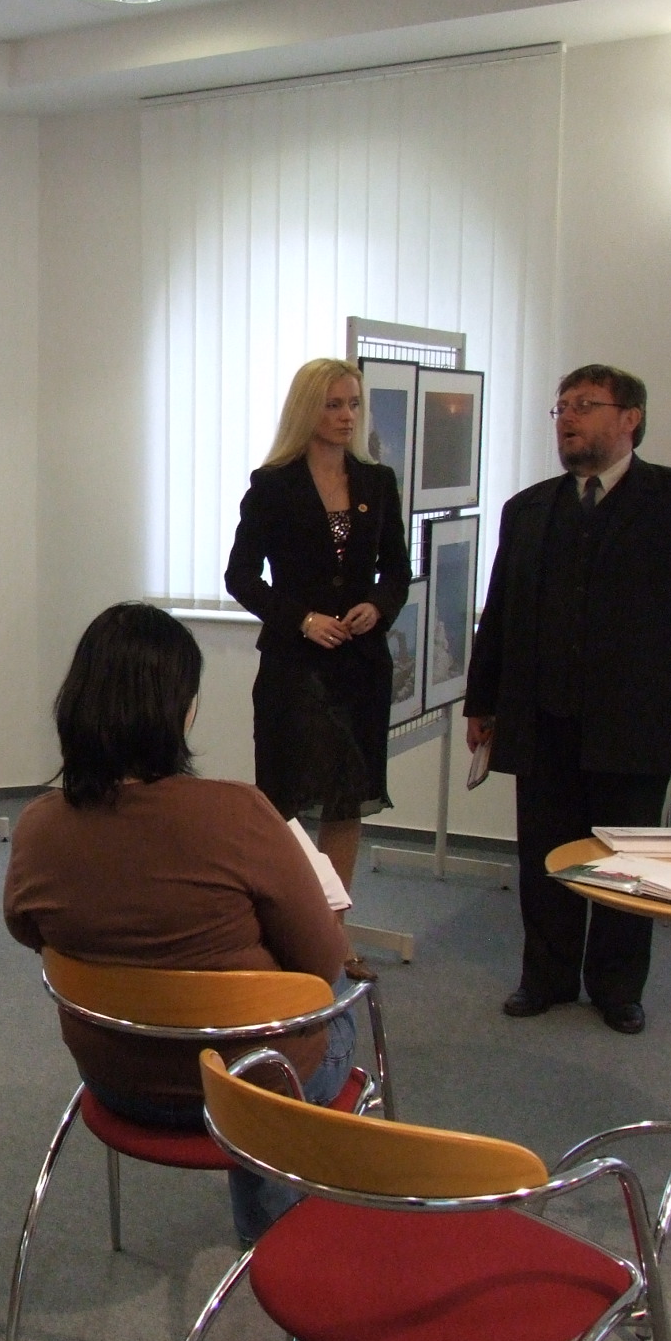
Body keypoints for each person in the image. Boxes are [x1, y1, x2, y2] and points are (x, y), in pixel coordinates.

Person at [3, 604, 353, 1242]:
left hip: (116, 1077)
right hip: (249, 1084)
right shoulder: (239, 814)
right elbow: (322, 963)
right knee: (343, 995)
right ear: (180, 710)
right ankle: (279, 1240)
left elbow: (28, 930)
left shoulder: (37, 830)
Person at [466, 364, 671, 1035]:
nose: (567, 418)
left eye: (585, 405)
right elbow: (499, 613)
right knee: (544, 857)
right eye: (561, 407)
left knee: (628, 856)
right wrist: (483, 700)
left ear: (630, 419)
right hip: (542, 715)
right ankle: (546, 976)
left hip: (637, 718)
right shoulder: (528, 509)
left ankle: (618, 986)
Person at [224, 358, 411, 977]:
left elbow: (397, 572)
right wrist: (301, 618)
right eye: (334, 404)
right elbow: (240, 576)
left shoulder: (377, 481)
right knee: (284, 800)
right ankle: (284, 928)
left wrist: (376, 607)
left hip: (360, 665)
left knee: (346, 800)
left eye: (353, 403)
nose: (347, 416)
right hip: (294, 665)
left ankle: (334, 933)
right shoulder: (272, 484)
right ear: (308, 409)